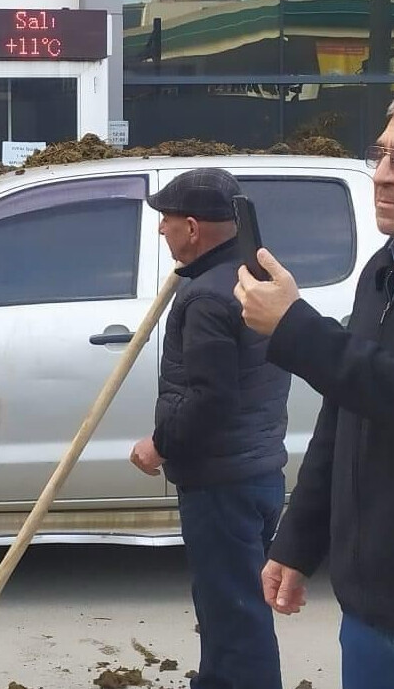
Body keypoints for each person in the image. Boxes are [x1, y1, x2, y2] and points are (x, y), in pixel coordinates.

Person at [235, 86, 394, 688]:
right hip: (371, 613)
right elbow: (345, 411)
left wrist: (295, 328)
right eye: (380, 154)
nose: (381, 175)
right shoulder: (383, 270)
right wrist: (298, 542)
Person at [130, 168, 291, 689]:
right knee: (225, 604)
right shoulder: (254, 279)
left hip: (223, 481)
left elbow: (211, 398)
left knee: (236, 611)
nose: (161, 230)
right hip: (258, 472)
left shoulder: (207, 298)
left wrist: (158, 444)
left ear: (194, 228)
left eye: (167, 220)